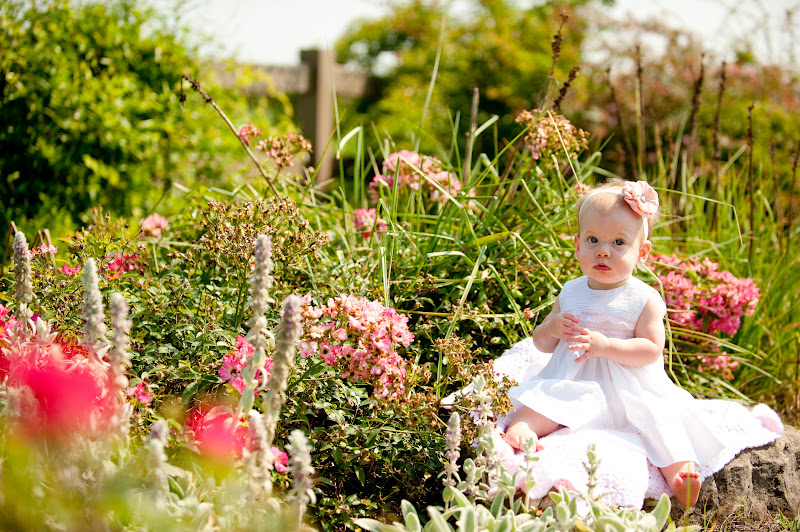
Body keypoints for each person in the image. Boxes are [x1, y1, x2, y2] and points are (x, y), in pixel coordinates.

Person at [501, 178, 723, 508]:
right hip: (574, 381)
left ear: (642, 252)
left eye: (619, 242)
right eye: (593, 239)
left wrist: (607, 347)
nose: (603, 250)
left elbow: (650, 350)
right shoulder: (571, 292)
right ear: (577, 245)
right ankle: (523, 430)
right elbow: (542, 344)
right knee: (541, 402)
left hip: (630, 388)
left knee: (659, 423)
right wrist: (552, 327)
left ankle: (681, 473)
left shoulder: (643, 299)